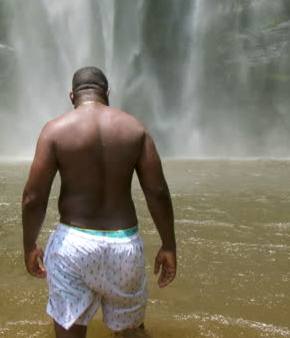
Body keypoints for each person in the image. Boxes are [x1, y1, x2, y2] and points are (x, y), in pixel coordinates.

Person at [21, 66, 176, 337]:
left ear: (72, 96)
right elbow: (158, 192)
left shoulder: (55, 131)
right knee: (131, 333)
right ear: (107, 93)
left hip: (73, 246)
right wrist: (169, 245)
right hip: (124, 246)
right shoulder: (135, 129)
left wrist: (29, 246)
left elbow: (34, 199)